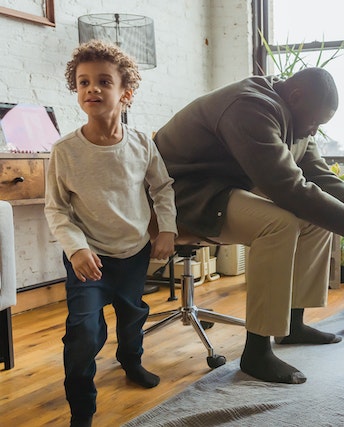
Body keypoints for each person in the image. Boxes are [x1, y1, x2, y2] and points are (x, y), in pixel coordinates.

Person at [153, 67, 344, 385]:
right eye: (314, 122)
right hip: (182, 195)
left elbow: (319, 174)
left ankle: (292, 324)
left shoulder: (295, 117)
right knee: (279, 223)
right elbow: (286, 187)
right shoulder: (249, 107)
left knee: (316, 220)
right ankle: (256, 352)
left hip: (220, 188)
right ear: (296, 96)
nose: (314, 131)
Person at [44, 40, 177, 427]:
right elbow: (56, 208)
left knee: (132, 313)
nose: (92, 89)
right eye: (83, 82)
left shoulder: (141, 144)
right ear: (77, 90)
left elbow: (162, 187)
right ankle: (82, 409)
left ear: (126, 93)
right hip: (88, 258)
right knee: (84, 331)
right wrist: (76, 249)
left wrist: (166, 228)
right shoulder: (64, 151)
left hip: (133, 252)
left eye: (104, 81)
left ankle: (131, 360)